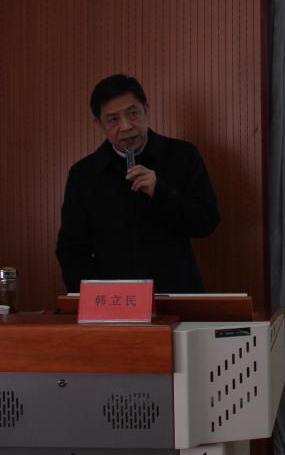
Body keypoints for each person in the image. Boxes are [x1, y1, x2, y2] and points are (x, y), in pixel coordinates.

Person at [55, 74, 219, 293]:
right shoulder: (83, 174)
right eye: (113, 119)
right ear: (99, 123)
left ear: (146, 109)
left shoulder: (182, 155)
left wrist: (160, 193)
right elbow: (71, 250)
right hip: (114, 301)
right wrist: (95, 297)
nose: (126, 126)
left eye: (132, 113)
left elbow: (206, 222)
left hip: (177, 295)